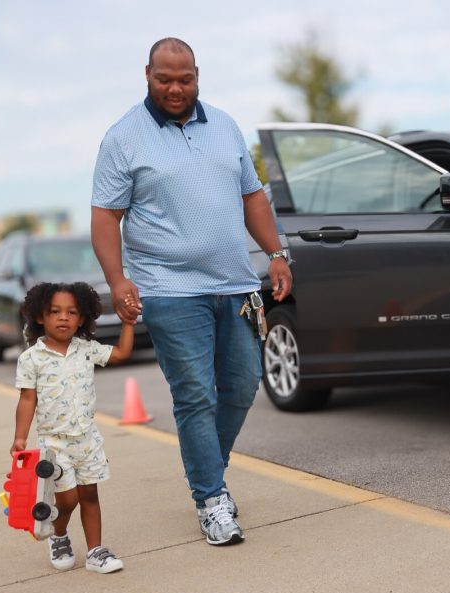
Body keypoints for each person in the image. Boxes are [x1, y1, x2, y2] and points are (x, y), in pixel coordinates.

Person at [90, 37, 292, 546]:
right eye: (165, 79)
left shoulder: (224, 126)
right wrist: (118, 280)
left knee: (245, 385)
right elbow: (105, 216)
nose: (176, 88)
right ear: (147, 75)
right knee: (196, 394)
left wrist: (276, 253)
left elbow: (252, 197)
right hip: (168, 288)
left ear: (197, 74)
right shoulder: (123, 138)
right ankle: (211, 499)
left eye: (185, 79)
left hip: (236, 284)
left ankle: (206, 472)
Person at [11, 282, 135, 573]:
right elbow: (27, 399)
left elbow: (120, 354)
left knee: (89, 495)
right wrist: (19, 437)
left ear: (82, 319)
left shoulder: (86, 349)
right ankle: (58, 534)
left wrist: (128, 323)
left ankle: (95, 551)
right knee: (67, 499)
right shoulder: (31, 358)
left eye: (71, 312)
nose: (63, 317)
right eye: (55, 312)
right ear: (40, 317)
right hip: (53, 444)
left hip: (87, 439)